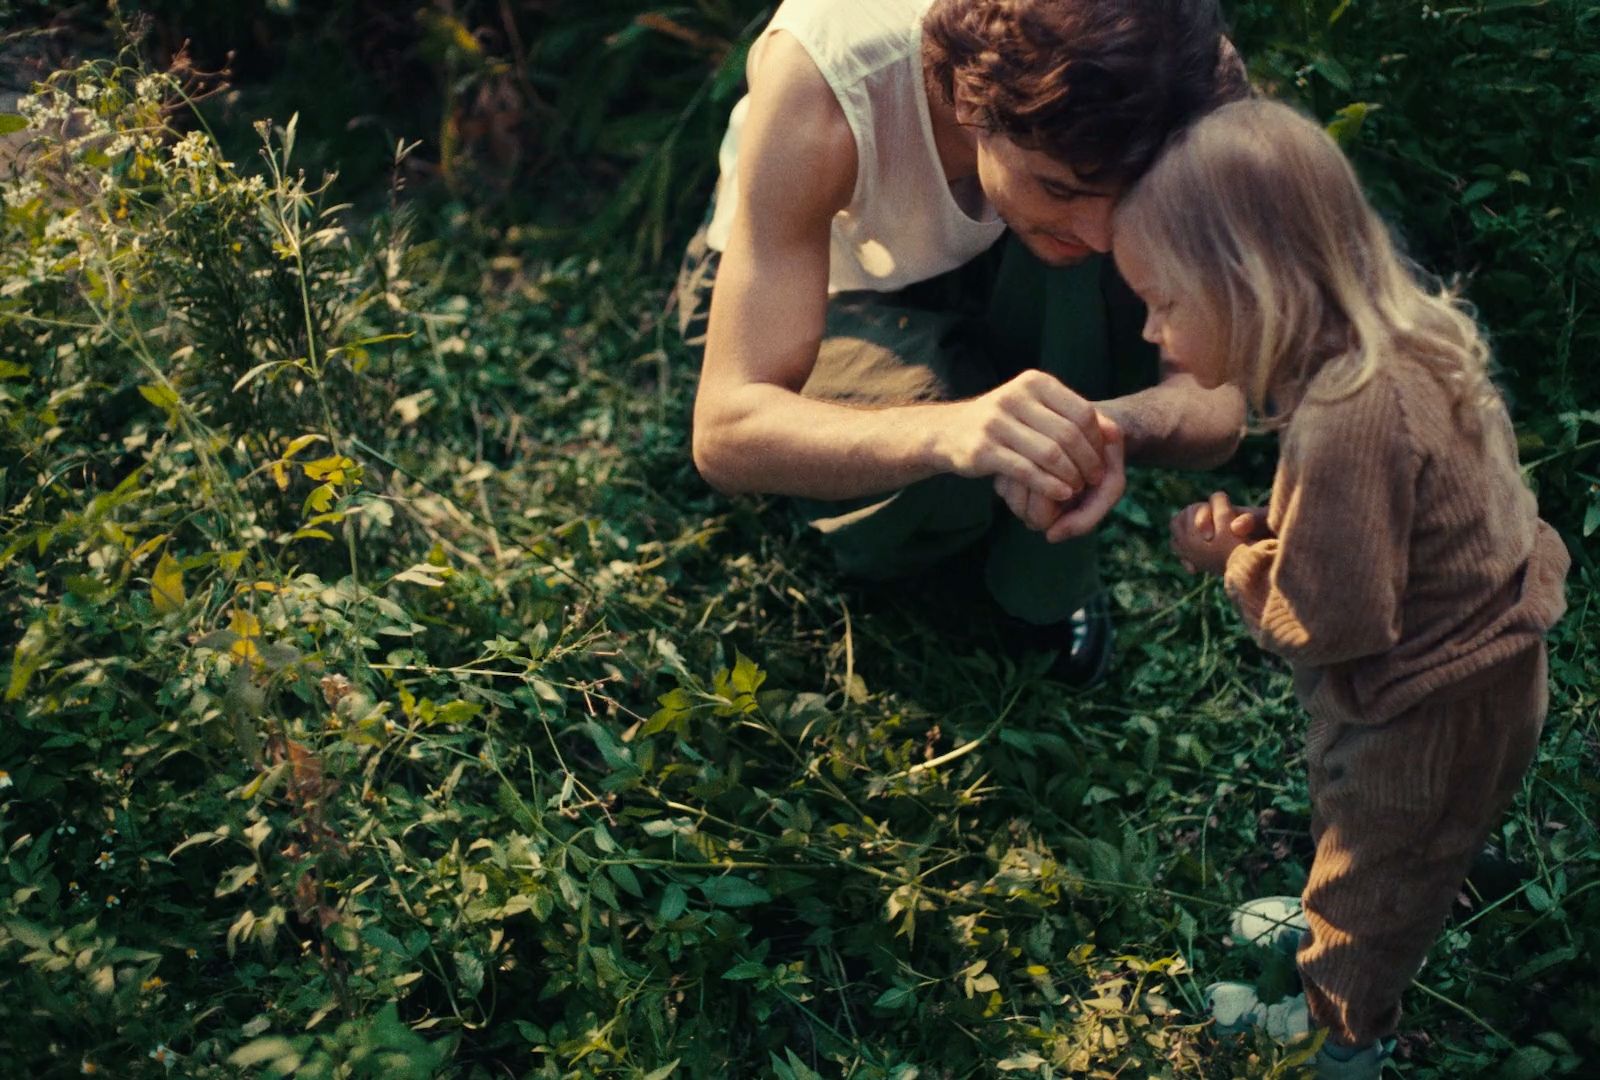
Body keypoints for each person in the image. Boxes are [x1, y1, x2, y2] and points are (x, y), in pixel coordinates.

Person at [1112, 98, 1571, 1077]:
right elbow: (1389, 532)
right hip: (1483, 676)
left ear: (1248, 285)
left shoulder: (1345, 416)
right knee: (1375, 840)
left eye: (1163, 301)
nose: (1152, 331)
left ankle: (1342, 1031)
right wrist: (1280, 531)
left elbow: (1331, 618)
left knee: (1379, 870)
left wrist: (1235, 562)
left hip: (1425, 712)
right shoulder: (1403, 345)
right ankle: (1343, 918)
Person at [676, 0, 1249, 686]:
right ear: (968, 97)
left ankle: (1039, 587)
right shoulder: (831, 72)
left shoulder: (1174, 69)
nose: (1101, 236)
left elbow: (1218, 408)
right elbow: (729, 428)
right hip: (824, 283)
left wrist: (1095, 427)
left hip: (981, 261)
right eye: (1060, 186)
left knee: (1076, 267)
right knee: (940, 475)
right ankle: (931, 533)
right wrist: (949, 431)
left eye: (1124, 195)